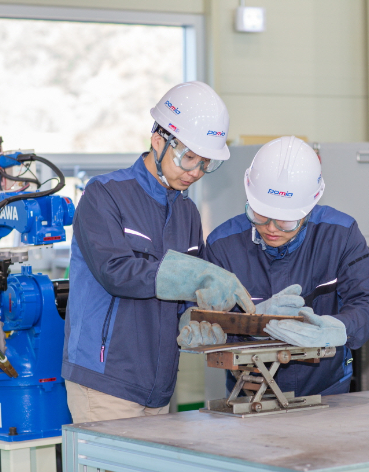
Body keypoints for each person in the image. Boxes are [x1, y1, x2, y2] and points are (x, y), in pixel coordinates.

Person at [62, 81, 257, 423]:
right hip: (106, 382)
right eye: (189, 158)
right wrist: (193, 274)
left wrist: (196, 320)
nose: (195, 172)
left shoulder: (187, 213)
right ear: (158, 141)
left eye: (205, 163)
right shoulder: (104, 195)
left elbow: (186, 297)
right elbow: (117, 272)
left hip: (160, 385)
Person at [178, 136, 369, 396]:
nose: (271, 229)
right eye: (260, 215)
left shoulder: (340, 235)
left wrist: (339, 327)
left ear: (309, 208)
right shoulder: (223, 245)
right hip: (250, 393)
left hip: (328, 391)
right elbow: (199, 318)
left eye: (286, 222)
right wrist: (247, 327)